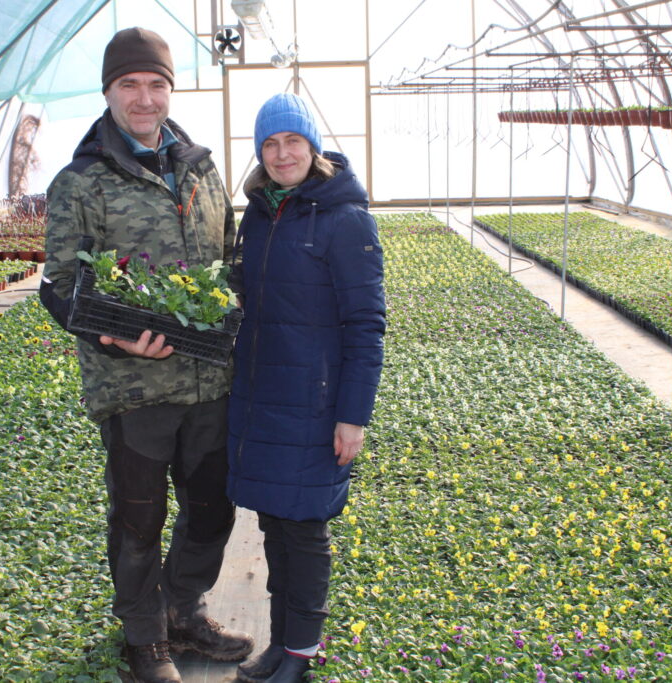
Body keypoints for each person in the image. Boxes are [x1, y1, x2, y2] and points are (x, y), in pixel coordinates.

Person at [39, 26, 253, 683]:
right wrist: (115, 331)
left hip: (210, 376)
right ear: (108, 90)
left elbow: (233, 259)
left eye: (155, 83)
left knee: (212, 507)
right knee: (138, 517)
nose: (144, 97)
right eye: (129, 84)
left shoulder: (202, 169)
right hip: (132, 385)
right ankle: (144, 640)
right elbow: (61, 287)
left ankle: (182, 612)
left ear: (170, 89)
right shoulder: (81, 181)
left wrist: (236, 312)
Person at [226, 93, 386, 682]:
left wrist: (353, 415)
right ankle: (281, 642)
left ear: (313, 147)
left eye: (292, 141)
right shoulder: (261, 214)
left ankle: (301, 653)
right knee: (274, 523)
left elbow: (366, 325)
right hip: (264, 396)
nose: (281, 152)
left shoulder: (345, 219)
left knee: (305, 528)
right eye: (269, 144)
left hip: (315, 406)